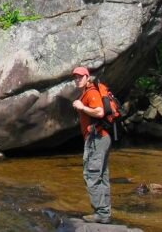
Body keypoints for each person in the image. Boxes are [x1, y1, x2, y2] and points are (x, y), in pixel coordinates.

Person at [72, 66, 111, 224]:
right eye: (75, 77)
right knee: (102, 176)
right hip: (100, 138)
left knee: (92, 174)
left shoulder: (91, 92)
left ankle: (101, 213)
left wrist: (82, 107)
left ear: (87, 77)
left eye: (80, 77)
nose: (77, 79)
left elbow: (99, 112)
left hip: (97, 138)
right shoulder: (85, 93)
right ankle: (104, 213)